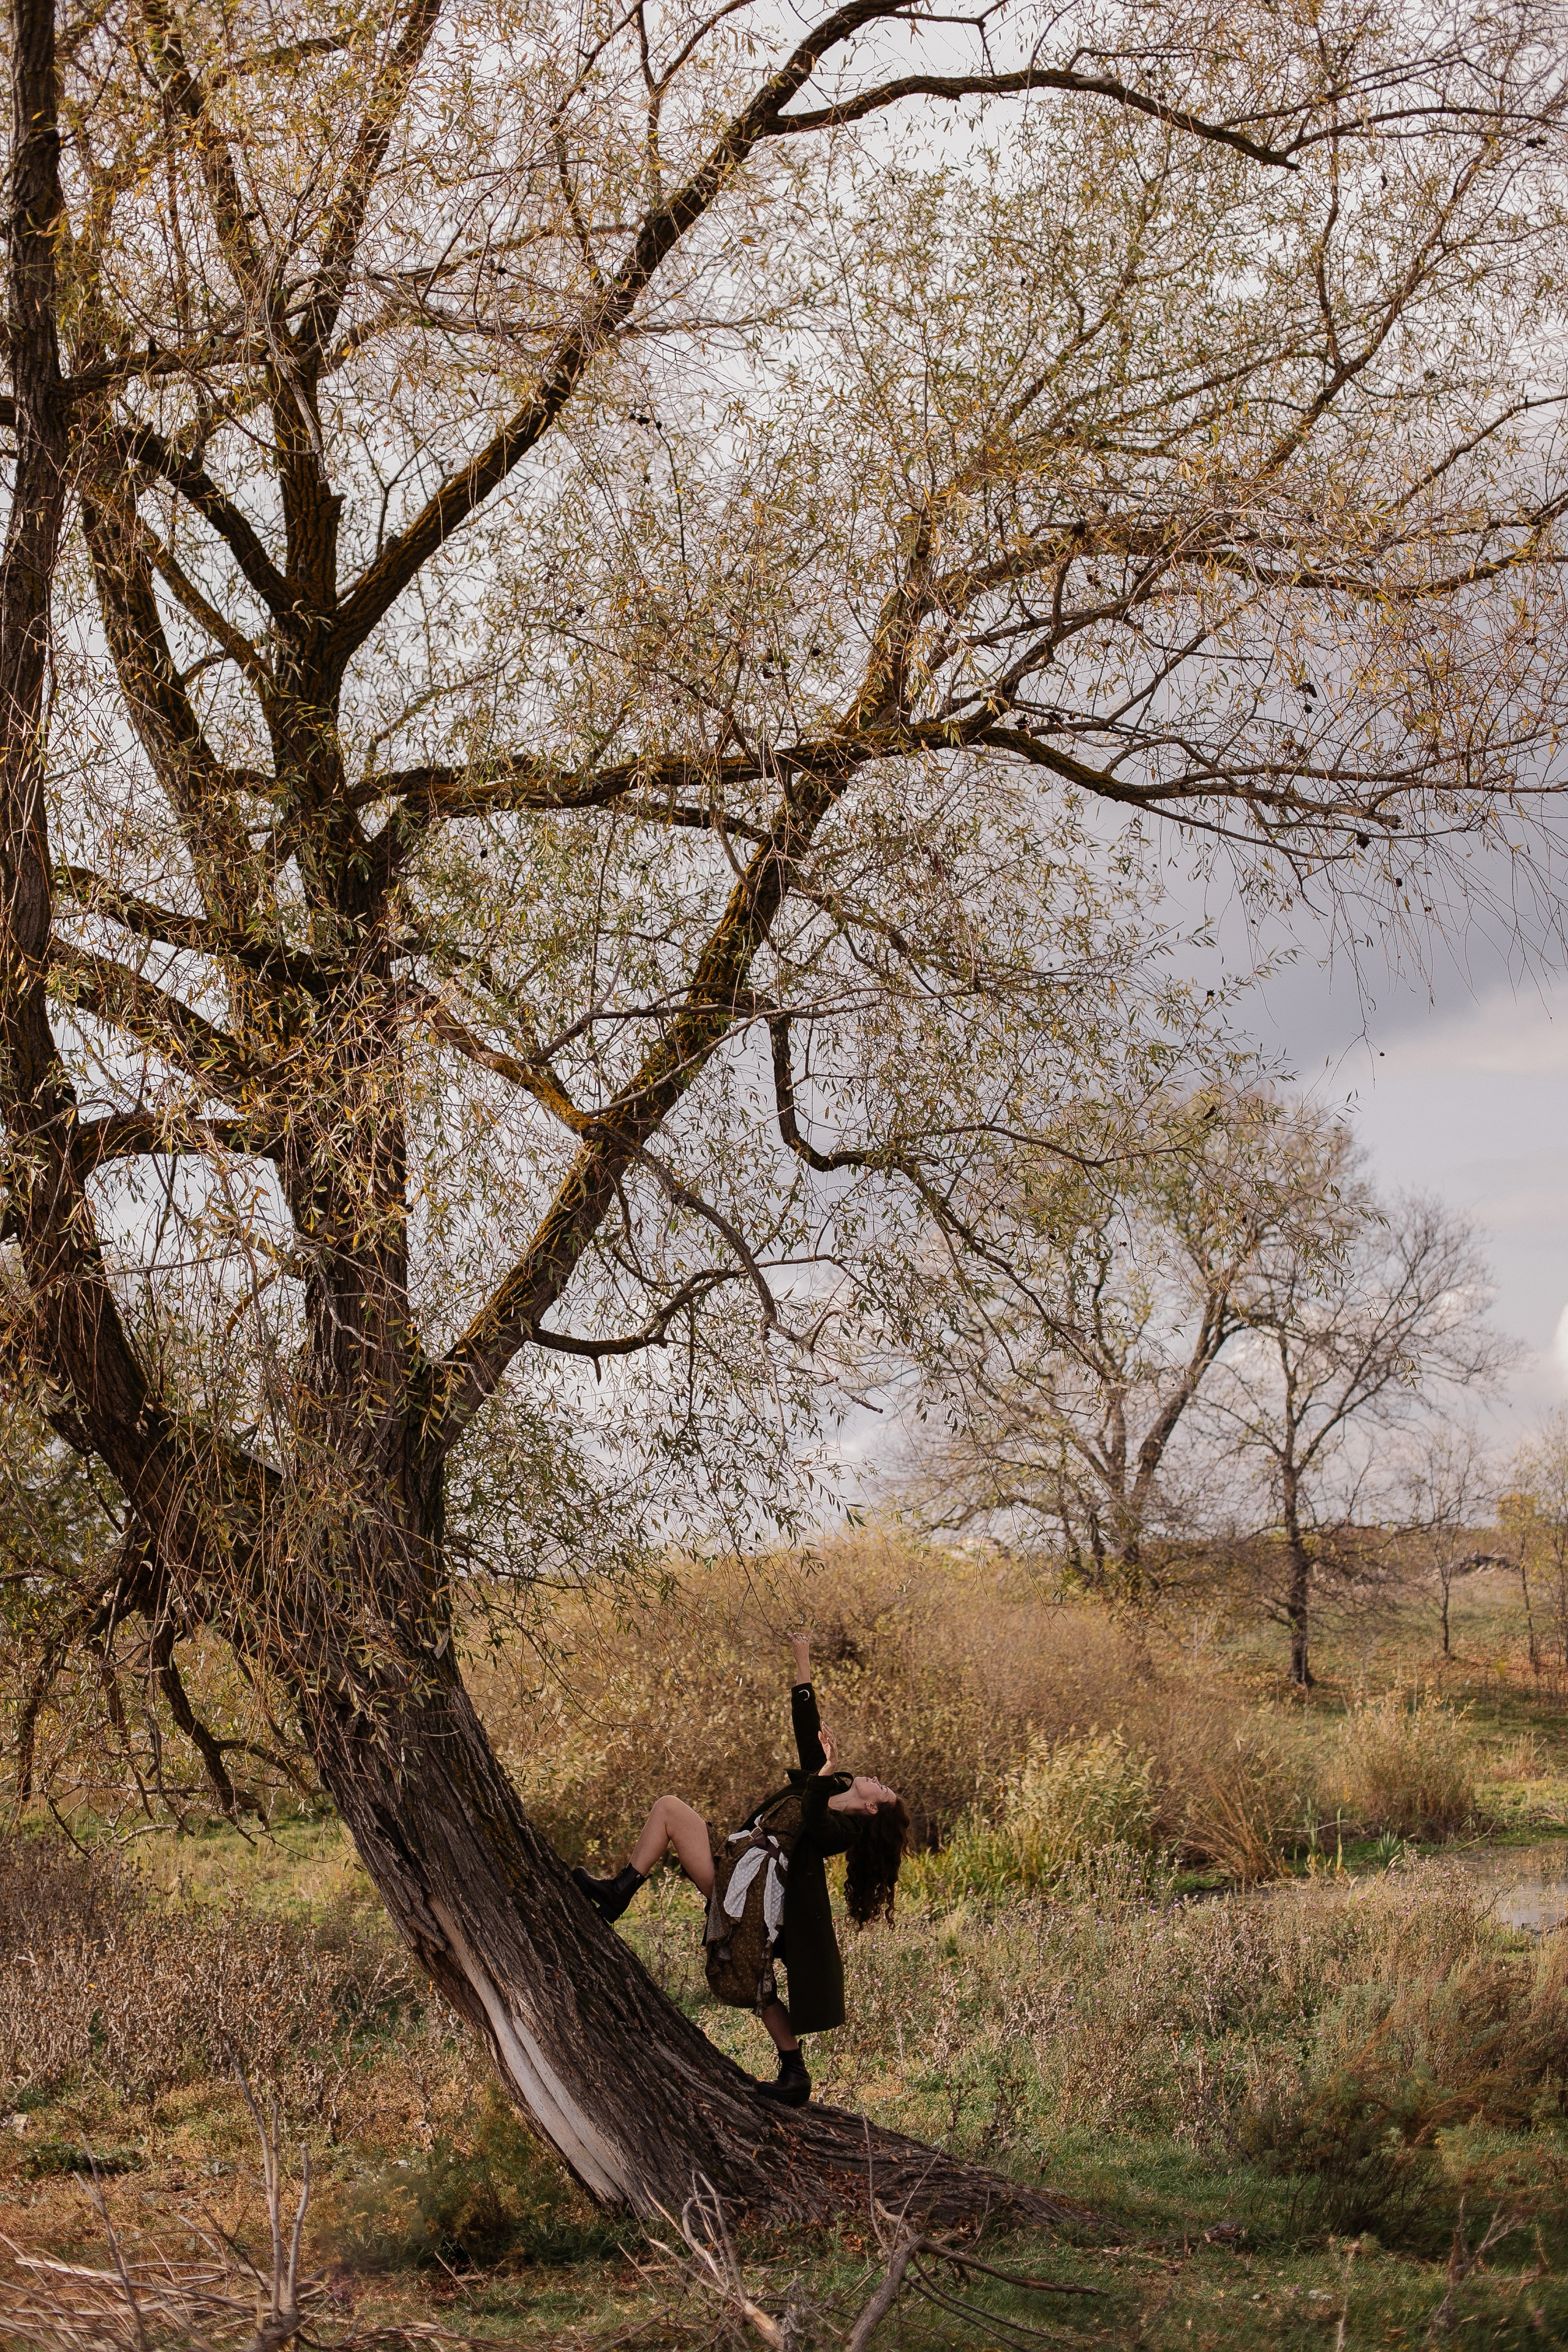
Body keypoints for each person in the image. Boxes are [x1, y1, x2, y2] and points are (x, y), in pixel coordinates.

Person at [573, 1630, 909, 2107]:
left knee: (755, 1981)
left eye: (885, 1790)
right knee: (669, 1808)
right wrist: (802, 1657)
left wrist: (824, 1771)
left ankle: (794, 2073)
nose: (879, 1781)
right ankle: (618, 1892)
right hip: (736, 1861)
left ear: (874, 1810)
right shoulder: (830, 1778)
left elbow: (814, 1820)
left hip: (755, 1894)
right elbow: (805, 1723)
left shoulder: (845, 1828)